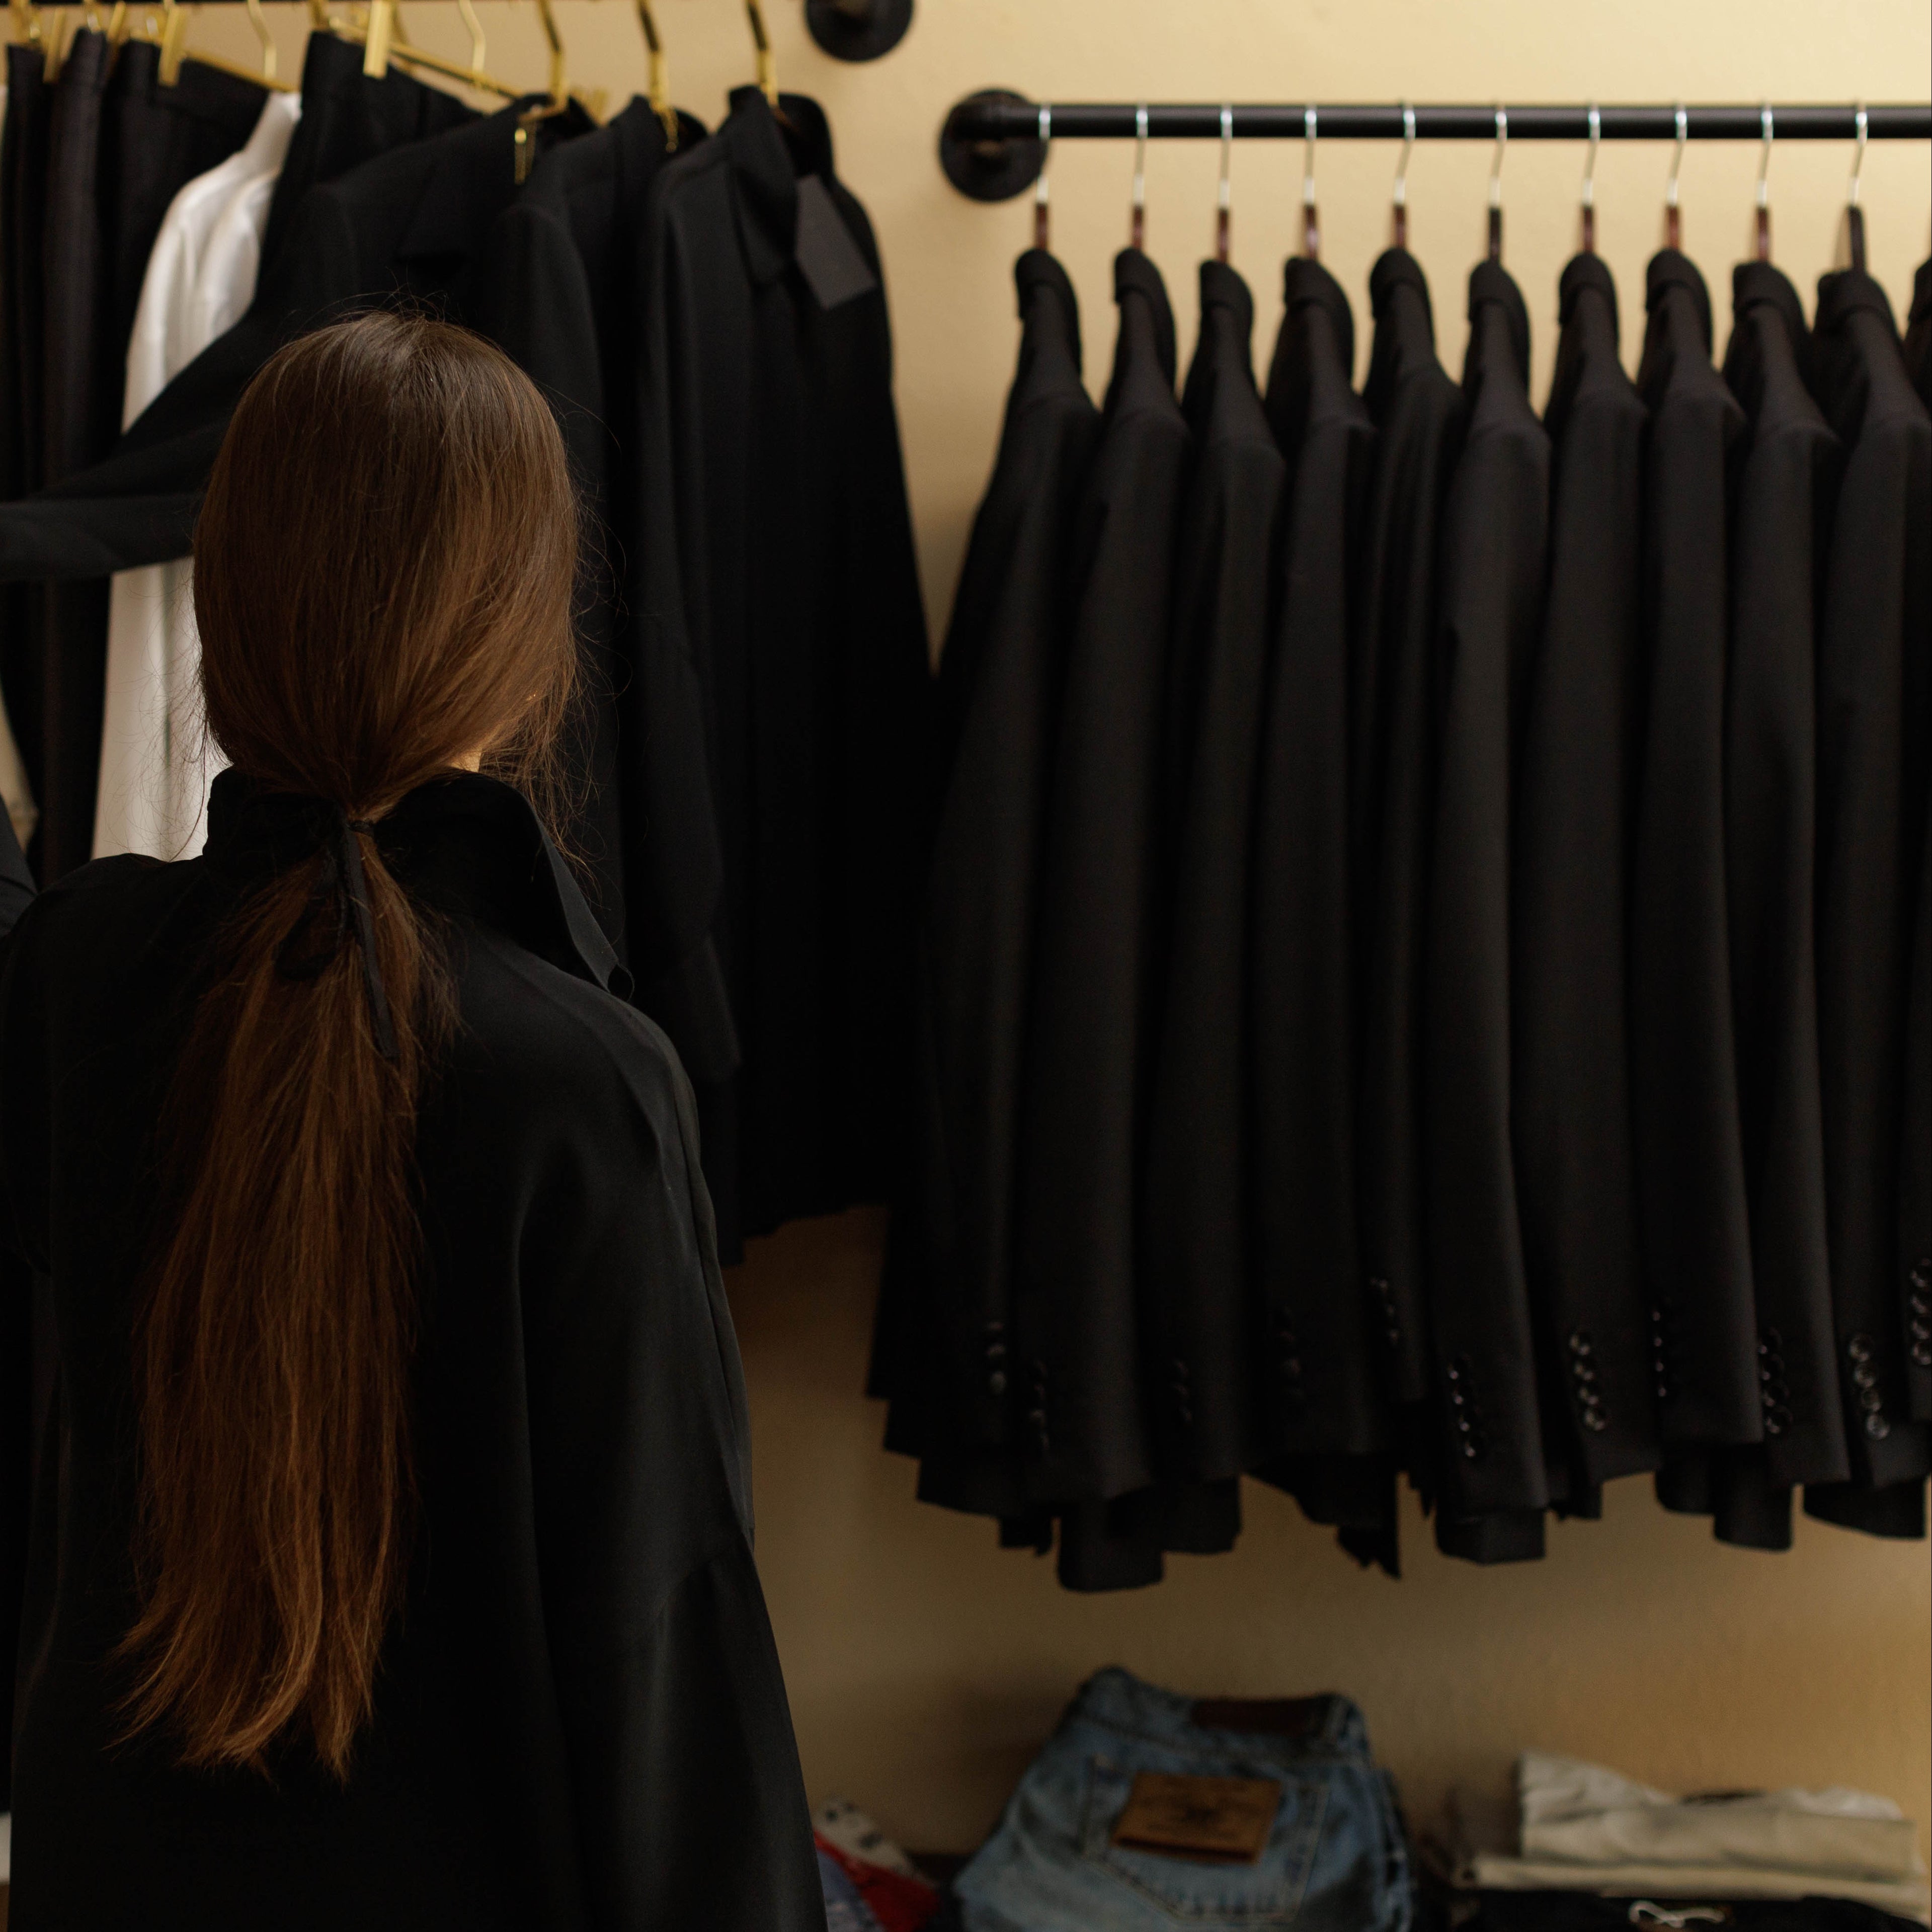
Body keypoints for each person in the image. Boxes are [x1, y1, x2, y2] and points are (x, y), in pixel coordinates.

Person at [0, 312, 825, 1928]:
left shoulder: (70, 983)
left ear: (220, 623)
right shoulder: (580, 1084)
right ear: (529, 659)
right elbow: (670, 1691)